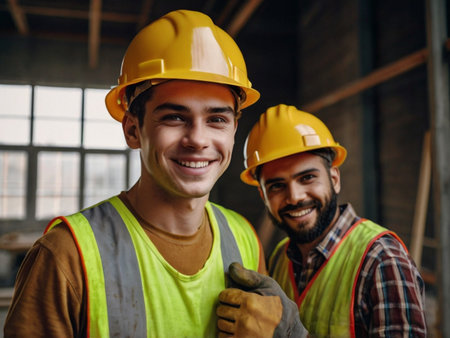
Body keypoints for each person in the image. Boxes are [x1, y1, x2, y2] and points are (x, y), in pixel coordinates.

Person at [4, 10, 268, 337]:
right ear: (132, 130)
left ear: (233, 131)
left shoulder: (245, 239)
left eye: (217, 120)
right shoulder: (66, 257)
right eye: (174, 117)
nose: (198, 139)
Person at [218, 104, 427, 337]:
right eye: (277, 186)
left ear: (334, 179)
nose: (295, 197)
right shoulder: (279, 258)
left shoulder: (382, 259)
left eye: (307, 177)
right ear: (263, 196)